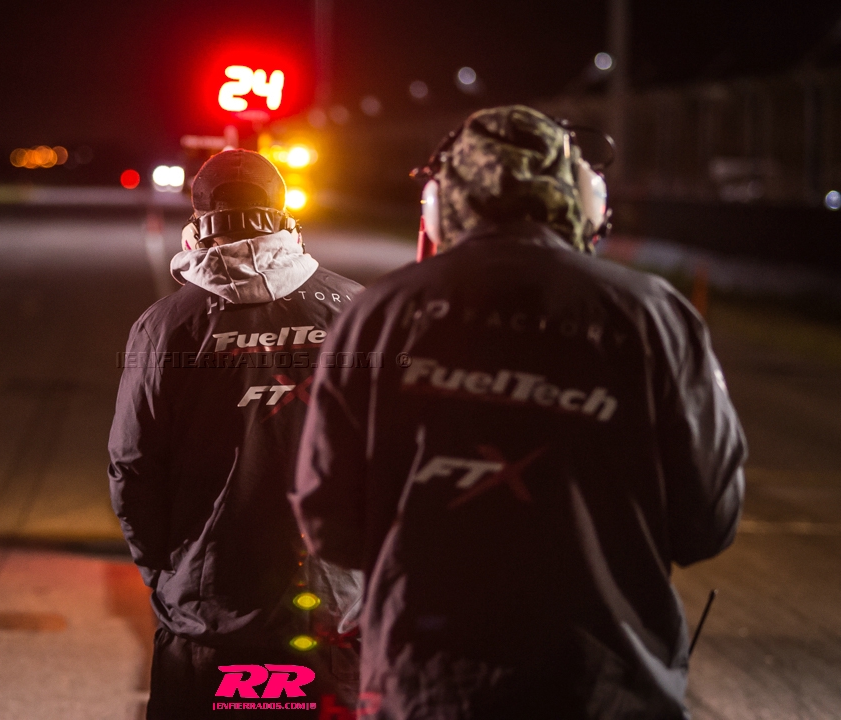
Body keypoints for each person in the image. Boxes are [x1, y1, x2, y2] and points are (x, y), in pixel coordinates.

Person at [292, 105, 746, 719]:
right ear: (587, 203)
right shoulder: (654, 316)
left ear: (439, 206)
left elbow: (330, 525)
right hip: (604, 692)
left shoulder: (378, 314)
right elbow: (708, 523)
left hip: (427, 691)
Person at [109, 149, 365, 718]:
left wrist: (169, 575)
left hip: (209, 613)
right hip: (334, 612)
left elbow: (133, 467)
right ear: (286, 219)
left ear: (199, 227)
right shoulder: (358, 310)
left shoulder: (165, 325)